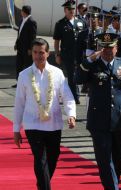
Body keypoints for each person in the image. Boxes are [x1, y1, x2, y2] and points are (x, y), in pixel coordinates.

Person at [77, 32, 121, 190]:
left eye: (111, 47)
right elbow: (78, 78)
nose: (107, 51)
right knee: (105, 160)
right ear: (99, 48)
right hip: (99, 121)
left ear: (117, 48)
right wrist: (88, 60)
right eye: (104, 47)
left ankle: (111, 181)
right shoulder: (93, 66)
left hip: (120, 121)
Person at [13, 38, 76, 190]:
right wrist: (16, 129)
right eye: (35, 52)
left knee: (52, 159)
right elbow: (19, 103)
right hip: (32, 125)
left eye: (41, 52)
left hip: (53, 124)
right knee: (40, 160)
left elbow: (67, 96)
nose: (38, 56)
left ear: (48, 54)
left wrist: (71, 114)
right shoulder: (24, 75)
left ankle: (42, 184)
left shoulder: (57, 73)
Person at [53, 0, 87, 104]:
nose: (72, 11)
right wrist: (57, 54)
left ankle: (75, 94)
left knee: (80, 75)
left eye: (73, 9)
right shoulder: (60, 24)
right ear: (65, 10)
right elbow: (57, 41)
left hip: (80, 54)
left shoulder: (81, 21)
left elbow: (86, 38)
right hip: (68, 55)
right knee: (71, 77)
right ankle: (74, 97)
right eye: (69, 9)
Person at [13, 5, 37, 88]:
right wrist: (16, 43)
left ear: (24, 12)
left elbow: (33, 37)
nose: (20, 12)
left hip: (27, 48)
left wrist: (31, 48)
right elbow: (19, 34)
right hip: (20, 47)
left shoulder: (32, 22)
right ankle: (19, 82)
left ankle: (28, 83)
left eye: (21, 11)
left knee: (27, 66)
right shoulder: (22, 20)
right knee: (18, 65)